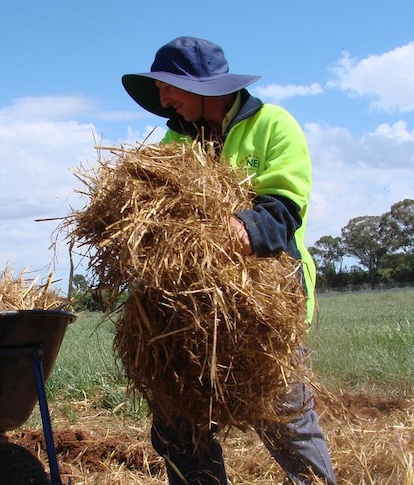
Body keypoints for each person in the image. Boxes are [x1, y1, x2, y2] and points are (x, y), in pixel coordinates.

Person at [121, 36, 337, 485]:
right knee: (178, 419)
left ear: (205, 87)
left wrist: (245, 228)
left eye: (168, 87)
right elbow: (158, 206)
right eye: (159, 89)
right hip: (189, 309)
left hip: (265, 304)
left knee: (285, 417)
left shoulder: (273, 124)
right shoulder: (176, 140)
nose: (163, 100)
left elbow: (284, 207)